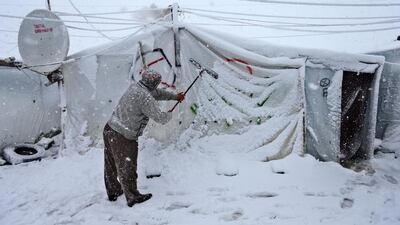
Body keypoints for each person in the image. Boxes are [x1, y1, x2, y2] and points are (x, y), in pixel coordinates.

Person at [103, 69, 184, 207]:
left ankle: (113, 191)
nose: (158, 86)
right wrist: (169, 114)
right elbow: (160, 118)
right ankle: (132, 196)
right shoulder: (145, 98)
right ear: (154, 83)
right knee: (127, 167)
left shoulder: (136, 86)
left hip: (110, 128)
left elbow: (156, 93)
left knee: (110, 164)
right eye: (157, 83)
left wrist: (175, 97)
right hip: (124, 135)